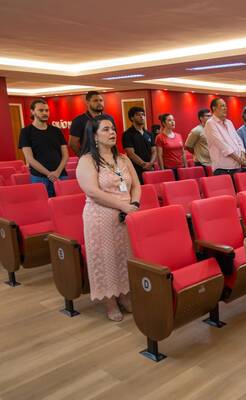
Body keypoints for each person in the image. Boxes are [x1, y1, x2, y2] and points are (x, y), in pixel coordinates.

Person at [76, 115, 141, 322]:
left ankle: (125, 295)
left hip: (125, 215)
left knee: (124, 256)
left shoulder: (123, 158)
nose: (112, 132)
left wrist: (134, 204)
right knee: (106, 260)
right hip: (100, 217)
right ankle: (110, 301)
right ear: (94, 136)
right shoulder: (87, 160)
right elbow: (92, 191)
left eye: (113, 129)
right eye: (105, 129)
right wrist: (123, 206)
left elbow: (136, 185)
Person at [18, 99, 69, 197]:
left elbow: (65, 155)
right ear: (32, 111)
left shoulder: (56, 131)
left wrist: (57, 172)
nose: (45, 113)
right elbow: (29, 158)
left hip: (60, 174)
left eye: (47, 110)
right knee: (44, 203)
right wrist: (49, 174)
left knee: (65, 203)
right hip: (39, 177)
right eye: (41, 110)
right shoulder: (25, 132)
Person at [204, 98, 246, 176]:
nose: (225, 108)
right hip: (223, 168)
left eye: (225, 106)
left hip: (237, 166)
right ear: (214, 108)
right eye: (222, 106)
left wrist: (242, 155)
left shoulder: (229, 122)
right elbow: (222, 145)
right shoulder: (210, 123)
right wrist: (239, 160)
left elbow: (239, 140)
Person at [122, 106, 156, 184]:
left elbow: (154, 151)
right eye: (138, 114)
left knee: (152, 188)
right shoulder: (127, 134)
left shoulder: (149, 134)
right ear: (132, 118)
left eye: (143, 114)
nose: (141, 116)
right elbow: (130, 153)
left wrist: (151, 163)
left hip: (150, 168)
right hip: (136, 169)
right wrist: (144, 165)